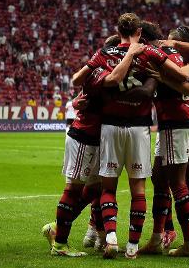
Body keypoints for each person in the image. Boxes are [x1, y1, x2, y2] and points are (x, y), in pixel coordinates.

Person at [73, 13, 189, 259]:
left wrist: (99, 98)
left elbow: (80, 80)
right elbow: (179, 74)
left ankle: (110, 236)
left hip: (125, 126)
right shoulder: (153, 55)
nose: (165, 43)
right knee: (147, 186)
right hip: (146, 128)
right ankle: (138, 243)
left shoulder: (112, 54)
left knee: (109, 185)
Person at [41, 40, 145, 257]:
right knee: (73, 189)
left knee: (97, 189)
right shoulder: (100, 72)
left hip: (99, 139)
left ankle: (80, 231)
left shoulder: (113, 69)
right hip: (84, 136)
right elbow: (98, 83)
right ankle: (59, 242)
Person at [138, 24, 189, 257]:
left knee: (178, 183)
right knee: (158, 177)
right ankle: (158, 238)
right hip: (173, 123)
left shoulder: (164, 53)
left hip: (176, 121)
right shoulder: (176, 54)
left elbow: (184, 80)